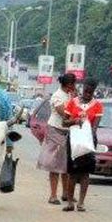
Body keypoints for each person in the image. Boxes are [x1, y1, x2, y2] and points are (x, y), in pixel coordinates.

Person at [63, 78, 103, 212]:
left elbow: (95, 127)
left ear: (93, 92)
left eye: (90, 92)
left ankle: (81, 202)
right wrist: (75, 121)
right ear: (83, 88)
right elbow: (64, 122)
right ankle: (69, 202)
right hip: (73, 140)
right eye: (86, 91)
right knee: (72, 172)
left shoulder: (97, 105)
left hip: (88, 142)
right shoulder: (72, 103)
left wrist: (87, 132)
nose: (87, 94)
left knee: (85, 173)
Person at [37, 73, 76, 205]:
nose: (74, 86)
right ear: (68, 85)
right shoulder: (57, 96)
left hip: (67, 131)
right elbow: (65, 114)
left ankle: (65, 193)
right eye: (73, 84)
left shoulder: (70, 95)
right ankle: (53, 195)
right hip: (55, 130)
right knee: (55, 164)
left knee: (66, 164)